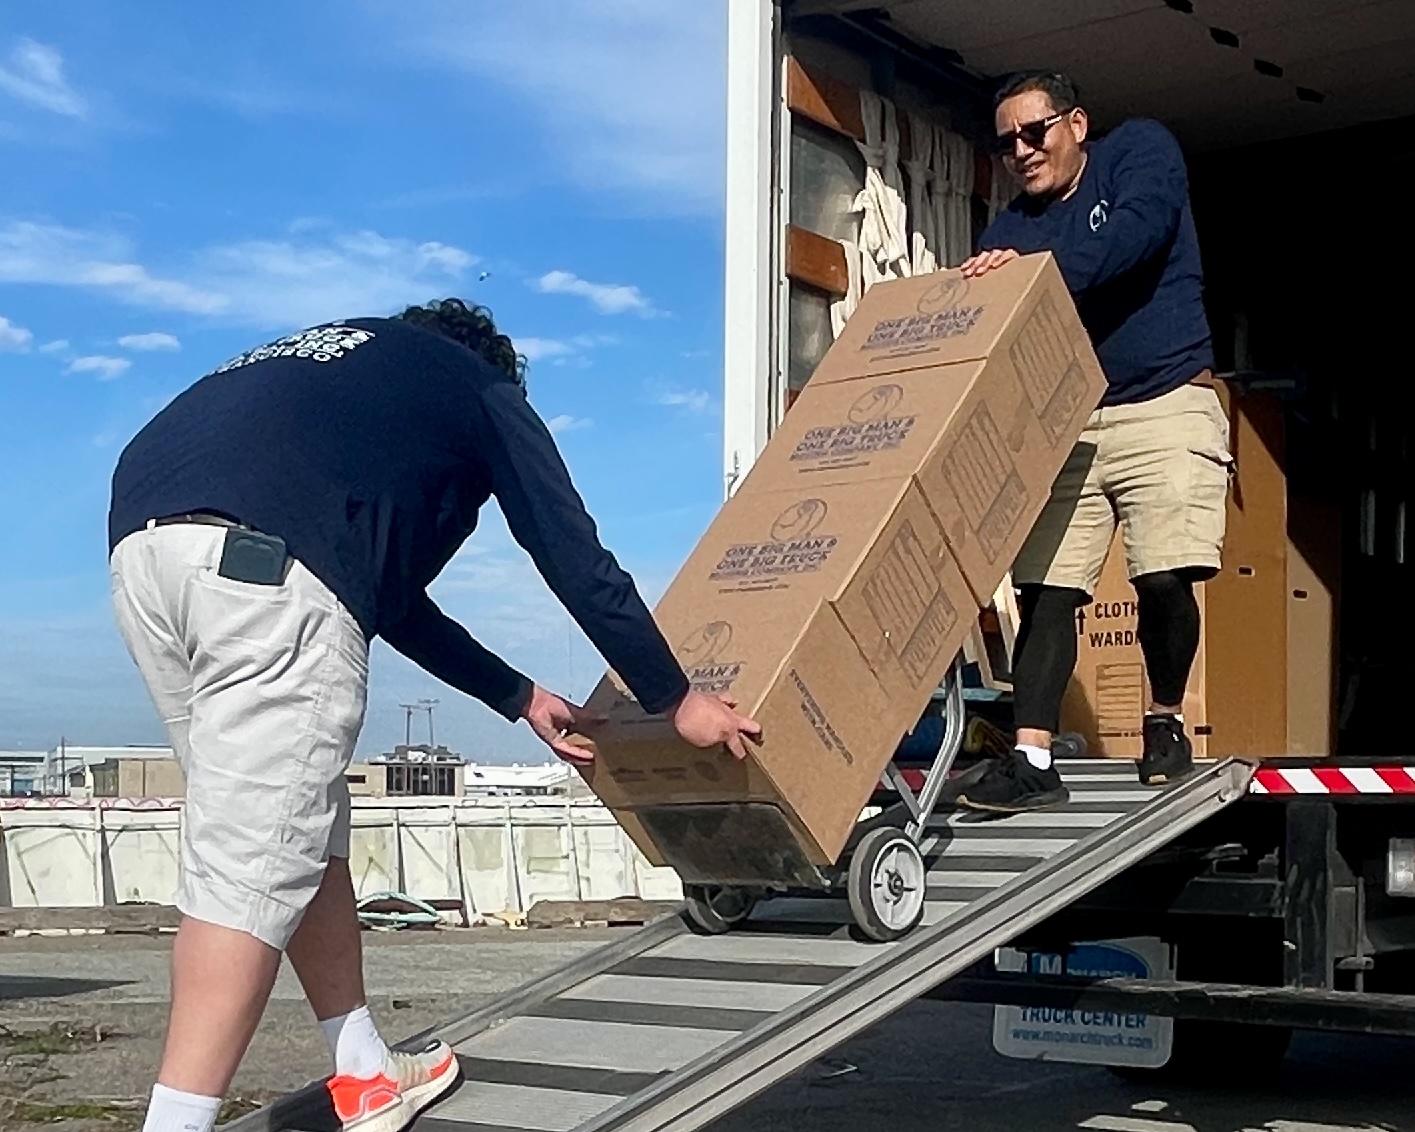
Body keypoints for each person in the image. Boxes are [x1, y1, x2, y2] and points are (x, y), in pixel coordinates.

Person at [106, 298, 761, 1132]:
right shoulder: (476, 385)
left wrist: (516, 695)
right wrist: (674, 698)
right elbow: (569, 550)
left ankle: (365, 1073)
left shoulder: (328, 372)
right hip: (268, 579)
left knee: (300, 830)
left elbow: (385, 598)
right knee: (249, 870)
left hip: (145, 557)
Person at [953, 71, 1231, 813]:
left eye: (1033, 131)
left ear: (1075, 124)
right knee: (1045, 590)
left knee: (1163, 575)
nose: (1021, 150)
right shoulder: (1008, 231)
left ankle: (1164, 721)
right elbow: (994, 323)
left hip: (1165, 397)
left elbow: (1134, 238)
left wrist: (1027, 278)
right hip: (1070, 420)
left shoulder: (1139, 152)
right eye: (1006, 142)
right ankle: (1032, 759)